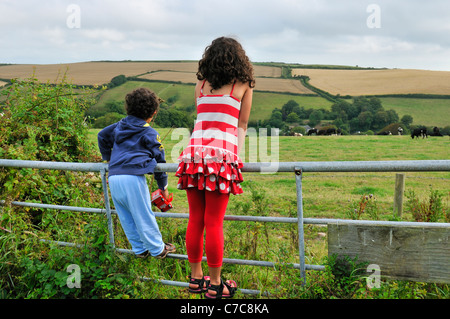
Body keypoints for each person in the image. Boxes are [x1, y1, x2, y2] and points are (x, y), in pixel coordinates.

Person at [175, 36, 255, 299]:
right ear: (239, 59)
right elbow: (241, 126)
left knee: (195, 218)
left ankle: (197, 279)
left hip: (193, 154)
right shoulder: (243, 85)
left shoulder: (200, 85)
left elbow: (201, 118)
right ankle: (216, 284)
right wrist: (235, 156)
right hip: (220, 157)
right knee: (214, 222)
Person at [98, 87, 176, 259]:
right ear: (154, 113)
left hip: (114, 176)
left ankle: (139, 249)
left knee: (125, 215)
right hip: (133, 178)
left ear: (128, 108)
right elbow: (160, 160)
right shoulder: (150, 132)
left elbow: (102, 135)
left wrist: (109, 159)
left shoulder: (120, 125)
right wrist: (163, 186)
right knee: (143, 213)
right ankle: (158, 249)